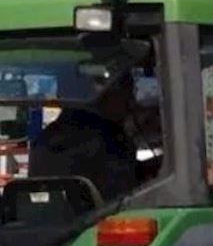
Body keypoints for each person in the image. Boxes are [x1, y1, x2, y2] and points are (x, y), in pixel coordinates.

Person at [28, 72, 139, 203]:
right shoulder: (107, 138)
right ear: (107, 95)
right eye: (128, 95)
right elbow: (125, 195)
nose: (132, 104)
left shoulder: (48, 136)